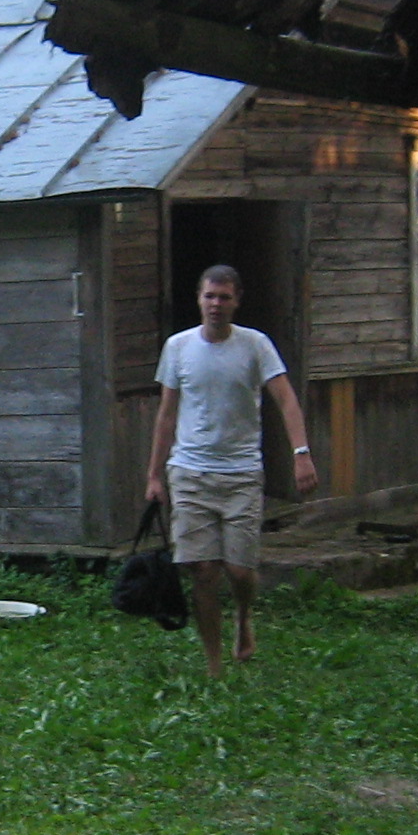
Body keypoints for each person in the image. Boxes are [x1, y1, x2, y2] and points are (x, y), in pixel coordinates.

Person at [144, 265, 318, 677]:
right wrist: (154, 475)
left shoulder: (255, 346)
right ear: (198, 299)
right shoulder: (178, 347)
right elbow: (166, 415)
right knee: (202, 571)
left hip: (241, 473)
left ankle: (243, 616)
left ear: (237, 301)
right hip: (189, 472)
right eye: (209, 297)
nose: (216, 305)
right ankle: (214, 664)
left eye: (224, 297)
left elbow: (287, 401)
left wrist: (301, 453)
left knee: (239, 570)